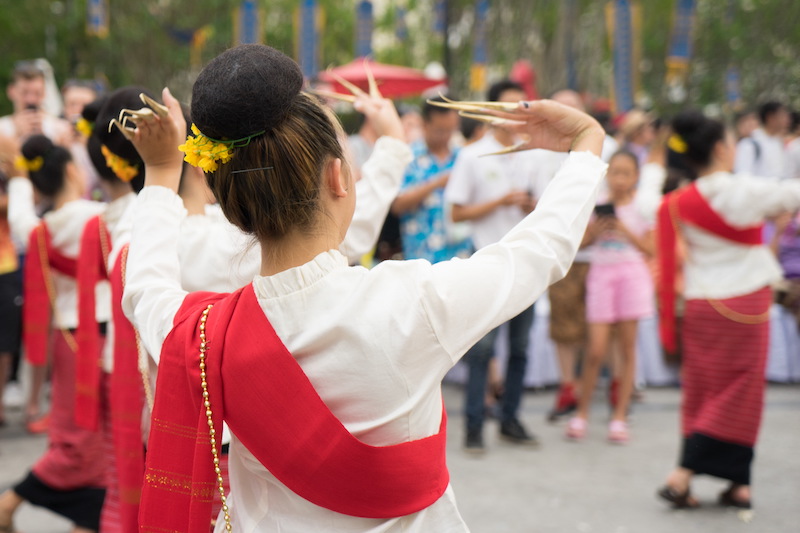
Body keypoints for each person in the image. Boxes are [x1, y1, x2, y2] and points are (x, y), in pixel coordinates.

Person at [121, 44, 607, 532]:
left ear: (232, 202)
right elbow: (538, 250)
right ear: (339, 177)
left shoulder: (206, 335)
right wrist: (586, 145)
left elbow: (145, 287)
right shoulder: (412, 301)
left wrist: (160, 175)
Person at [655, 110, 800, 510]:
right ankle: (683, 473)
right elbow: (792, 194)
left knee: (703, 390)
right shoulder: (742, 190)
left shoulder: (678, 200)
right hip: (745, 301)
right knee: (742, 391)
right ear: (720, 148)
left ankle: (738, 484)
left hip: (701, 302)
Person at [1, 134, 108, 533]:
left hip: (66, 338)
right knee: (86, 440)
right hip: (97, 338)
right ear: (71, 171)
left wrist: (18, 175)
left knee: (86, 437)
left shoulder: (39, 227)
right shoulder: (99, 216)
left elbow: (19, 216)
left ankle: (85, 523)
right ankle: (9, 503)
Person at [444, 79, 540, 453]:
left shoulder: (533, 153)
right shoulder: (473, 155)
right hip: (486, 262)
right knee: (482, 349)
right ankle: (474, 425)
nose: (516, 114)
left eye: (522, 107)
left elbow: (545, 207)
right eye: (509, 106)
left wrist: (529, 205)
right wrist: (499, 202)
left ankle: (510, 419)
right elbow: (456, 212)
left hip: (525, 263)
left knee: (520, 347)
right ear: (490, 111)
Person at [565, 150, 654, 443]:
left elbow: (651, 249)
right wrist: (595, 231)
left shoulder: (642, 207)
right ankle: (582, 413)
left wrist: (625, 230)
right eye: (615, 172)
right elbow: (578, 244)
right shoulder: (597, 205)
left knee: (628, 349)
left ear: (636, 176)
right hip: (601, 275)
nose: (620, 179)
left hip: (632, 276)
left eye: (626, 173)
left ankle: (619, 417)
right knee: (596, 350)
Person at [391, 96, 472, 263]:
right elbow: (397, 205)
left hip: (460, 255)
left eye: (451, 130)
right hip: (421, 256)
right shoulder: (408, 156)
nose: (446, 136)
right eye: (440, 130)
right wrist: (436, 183)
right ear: (425, 124)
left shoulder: (463, 157)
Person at [0, 61, 70, 145]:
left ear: (44, 92)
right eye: (24, 92)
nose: (31, 100)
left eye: (37, 93)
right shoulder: (1, 129)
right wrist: (15, 136)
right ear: (11, 91)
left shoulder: (62, 130)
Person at [734, 101, 790, 179]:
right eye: (782, 115)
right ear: (770, 117)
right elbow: (742, 177)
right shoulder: (749, 144)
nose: (787, 120)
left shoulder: (778, 142)